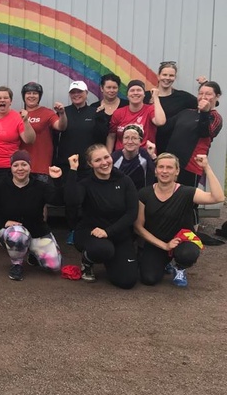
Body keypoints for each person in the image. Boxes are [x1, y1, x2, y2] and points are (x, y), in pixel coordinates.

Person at [135, 153, 224, 288]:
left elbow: (218, 197)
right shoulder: (144, 193)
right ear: (156, 170)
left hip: (182, 241)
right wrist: (165, 246)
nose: (165, 171)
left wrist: (206, 167)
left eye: (169, 167)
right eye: (161, 167)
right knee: (149, 278)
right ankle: (165, 262)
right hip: (158, 242)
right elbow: (138, 227)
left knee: (187, 254)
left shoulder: (187, 192)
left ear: (177, 171)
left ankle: (180, 266)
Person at [0, 151, 64, 281]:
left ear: (30, 167)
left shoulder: (40, 186)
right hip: (11, 232)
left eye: (24, 164)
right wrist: (3, 222)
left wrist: (57, 180)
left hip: (36, 230)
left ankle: (32, 254)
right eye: (16, 165)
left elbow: (59, 201)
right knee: (18, 235)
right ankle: (17, 264)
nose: (20, 168)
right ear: (11, 168)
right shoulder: (0, 186)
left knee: (54, 265)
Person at [64, 145, 139, 289]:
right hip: (91, 232)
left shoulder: (125, 180)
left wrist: (108, 232)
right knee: (104, 250)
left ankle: (112, 260)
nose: (104, 162)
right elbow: (71, 201)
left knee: (127, 281)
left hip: (117, 233)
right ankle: (87, 261)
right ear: (90, 164)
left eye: (106, 157)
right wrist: (73, 170)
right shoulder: (86, 183)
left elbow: (132, 213)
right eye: (98, 160)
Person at [0, 86, 36, 243]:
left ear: (11, 101)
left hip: (6, 169)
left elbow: (29, 139)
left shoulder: (17, 118)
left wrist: (26, 121)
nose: (2, 100)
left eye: (6, 97)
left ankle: (8, 232)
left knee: (6, 202)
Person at [164, 81, 222, 186]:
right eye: (200, 93)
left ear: (217, 96)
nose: (203, 97)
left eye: (208, 94)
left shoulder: (215, 117)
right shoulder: (186, 112)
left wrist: (205, 112)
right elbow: (164, 128)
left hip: (190, 168)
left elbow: (204, 132)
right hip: (171, 164)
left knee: (186, 196)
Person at [54, 81, 108, 178]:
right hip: (66, 165)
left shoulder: (95, 112)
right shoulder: (62, 112)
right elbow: (54, 138)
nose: (76, 95)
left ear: (86, 93)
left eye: (79, 91)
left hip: (88, 166)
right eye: (73, 92)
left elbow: (102, 137)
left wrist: (101, 118)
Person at [144, 61, 199, 153]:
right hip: (149, 145)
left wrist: (204, 84)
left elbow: (205, 104)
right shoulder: (145, 96)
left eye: (171, 75)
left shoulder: (183, 97)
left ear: (175, 77)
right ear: (158, 76)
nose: (167, 78)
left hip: (173, 146)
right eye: (164, 75)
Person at [21, 82, 66, 182]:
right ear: (24, 96)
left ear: (39, 96)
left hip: (41, 168)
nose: (31, 96)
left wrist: (62, 113)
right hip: (22, 168)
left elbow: (60, 126)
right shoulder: (18, 115)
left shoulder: (47, 113)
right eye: (28, 93)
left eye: (35, 93)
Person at [107, 80, 166, 151]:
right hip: (122, 154)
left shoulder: (150, 110)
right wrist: (109, 155)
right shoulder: (118, 113)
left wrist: (156, 97)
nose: (135, 93)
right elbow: (111, 136)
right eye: (132, 90)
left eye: (139, 90)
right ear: (127, 95)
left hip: (145, 154)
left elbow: (160, 122)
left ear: (144, 94)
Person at [110, 124, 156, 190]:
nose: (130, 142)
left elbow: (155, 175)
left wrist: (152, 156)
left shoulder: (145, 155)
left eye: (134, 138)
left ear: (140, 141)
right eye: (126, 138)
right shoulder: (115, 157)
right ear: (122, 140)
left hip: (140, 193)